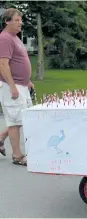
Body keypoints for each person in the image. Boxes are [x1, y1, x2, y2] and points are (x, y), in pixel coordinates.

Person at [0, 8, 34, 165]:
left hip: (22, 85)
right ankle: (17, 156)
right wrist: (12, 87)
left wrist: (27, 80)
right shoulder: (5, 38)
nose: (21, 23)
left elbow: (19, 62)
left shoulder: (15, 38)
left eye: (21, 19)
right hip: (11, 87)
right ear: (7, 21)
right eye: (17, 20)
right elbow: (3, 64)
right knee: (14, 121)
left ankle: (1, 137)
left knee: (23, 117)